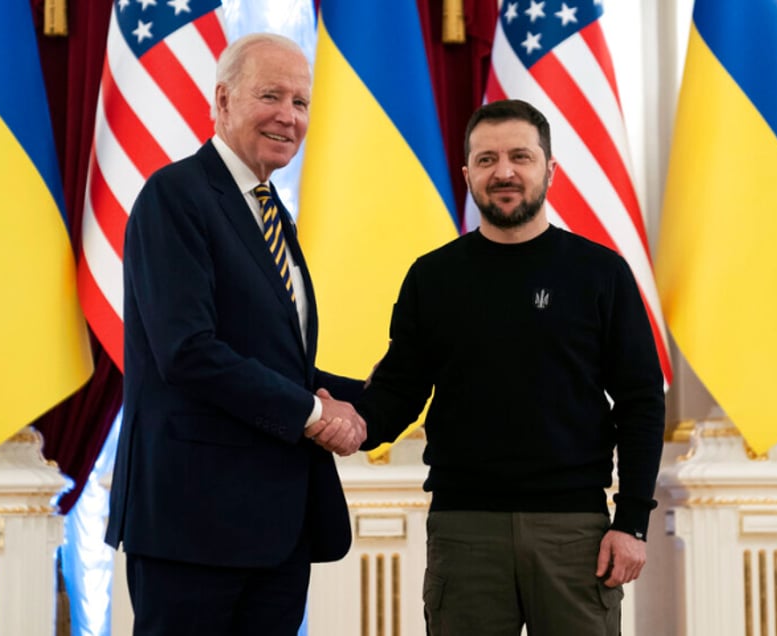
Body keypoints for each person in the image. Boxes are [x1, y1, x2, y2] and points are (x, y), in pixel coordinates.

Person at [350, 99, 665, 635]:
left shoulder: (600, 274)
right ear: (468, 172)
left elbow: (640, 402)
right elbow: (398, 392)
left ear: (549, 169)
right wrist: (346, 421)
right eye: (488, 158)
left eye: (521, 156)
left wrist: (631, 521)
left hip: (576, 533)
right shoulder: (433, 278)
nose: (504, 172)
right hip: (463, 531)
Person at [105, 33, 367, 636]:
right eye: (270, 95)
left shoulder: (270, 210)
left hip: (275, 531)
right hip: (193, 527)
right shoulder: (175, 197)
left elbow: (275, 360)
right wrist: (313, 413)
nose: (288, 116)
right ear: (222, 101)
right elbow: (189, 352)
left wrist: (373, 394)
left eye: (301, 103)